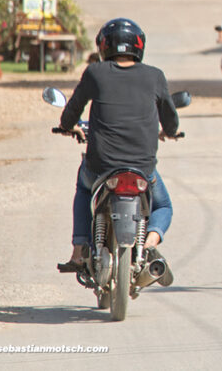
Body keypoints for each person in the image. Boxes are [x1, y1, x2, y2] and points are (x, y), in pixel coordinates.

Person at [55, 18, 178, 283]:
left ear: (104, 46)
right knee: (164, 205)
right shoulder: (154, 75)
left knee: (84, 188)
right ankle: (148, 246)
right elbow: (171, 120)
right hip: (142, 168)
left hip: (100, 165)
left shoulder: (95, 73)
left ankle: (78, 250)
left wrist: (68, 126)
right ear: (139, 46)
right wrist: (168, 131)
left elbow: (72, 111)